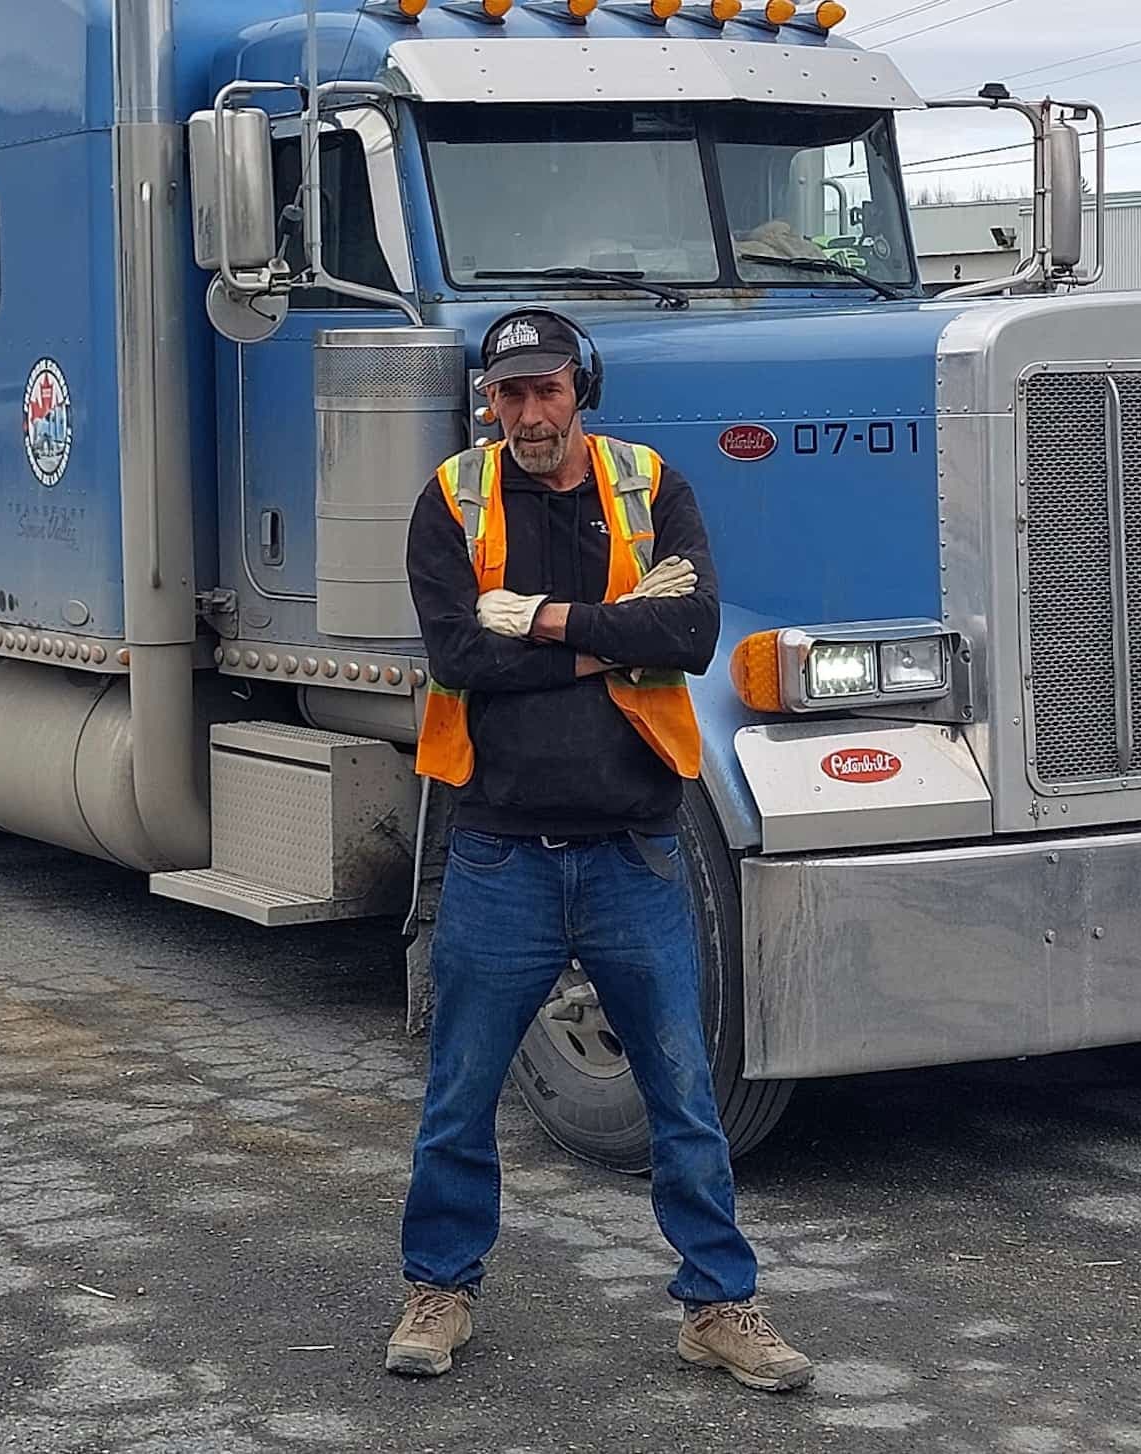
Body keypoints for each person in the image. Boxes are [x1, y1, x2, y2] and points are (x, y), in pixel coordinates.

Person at [386, 310, 811, 1394]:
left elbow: (690, 635)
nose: (530, 414)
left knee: (683, 1097)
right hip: (500, 854)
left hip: (632, 851)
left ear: (583, 389)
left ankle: (718, 1305)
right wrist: (607, 634)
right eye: (510, 393)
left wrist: (538, 619)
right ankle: (439, 1289)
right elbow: (458, 657)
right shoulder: (452, 498)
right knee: (459, 1094)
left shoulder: (649, 485)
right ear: (489, 400)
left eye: (548, 390)